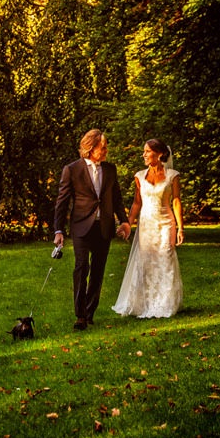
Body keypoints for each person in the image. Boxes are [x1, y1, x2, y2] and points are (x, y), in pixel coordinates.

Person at [54, 129, 132, 330]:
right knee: (82, 268)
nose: (105, 150)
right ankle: (80, 315)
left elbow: (116, 199)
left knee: (98, 271)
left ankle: (89, 312)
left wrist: (124, 221)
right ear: (90, 147)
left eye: (105, 147)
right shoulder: (72, 170)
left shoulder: (110, 169)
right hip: (81, 226)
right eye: (102, 147)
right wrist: (58, 230)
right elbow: (62, 202)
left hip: (104, 226)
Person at [112, 139, 184, 318]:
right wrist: (127, 223)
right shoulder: (139, 176)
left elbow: (176, 201)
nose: (143, 154)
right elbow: (137, 202)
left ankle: (165, 304)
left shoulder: (173, 175)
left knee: (165, 257)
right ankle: (145, 303)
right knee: (147, 261)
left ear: (159, 154)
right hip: (146, 224)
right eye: (143, 151)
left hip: (166, 223)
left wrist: (181, 228)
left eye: (147, 151)